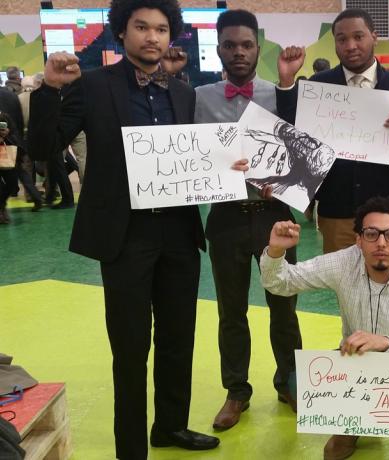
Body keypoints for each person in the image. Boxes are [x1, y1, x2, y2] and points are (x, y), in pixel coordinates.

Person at [27, 1, 244, 457]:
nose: (152, 36)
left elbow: (196, 158)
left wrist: (229, 165)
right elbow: (44, 146)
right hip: (124, 237)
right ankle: (131, 447)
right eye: (141, 27)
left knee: (177, 338)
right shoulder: (93, 86)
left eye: (161, 29)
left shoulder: (183, 93)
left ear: (172, 37)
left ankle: (170, 426)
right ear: (121, 33)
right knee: (129, 350)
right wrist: (49, 88)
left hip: (180, 235)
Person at [261, 196, 389, 460]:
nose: (381, 243)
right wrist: (276, 251)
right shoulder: (343, 263)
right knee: (298, 384)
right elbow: (280, 283)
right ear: (359, 239)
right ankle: (350, 422)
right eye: (371, 234)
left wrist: (385, 343)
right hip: (355, 367)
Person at [191, 8, 304, 430]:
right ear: (217, 49)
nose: (238, 52)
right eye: (229, 45)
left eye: (246, 45)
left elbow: (304, 151)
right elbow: (189, 154)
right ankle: (237, 391)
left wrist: (287, 179)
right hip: (225, 217)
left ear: (258, 47)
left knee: (284, 308)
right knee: (231, 311)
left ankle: (289, 382)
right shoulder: (199, 97)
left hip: (275, 213)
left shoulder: (282, 94)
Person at [278, 8, 389, 254]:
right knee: (345, 289)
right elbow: (291, 136)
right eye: (342, 39)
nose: (350, 45)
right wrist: (287, 81)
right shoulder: (317, 87)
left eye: (358, 37)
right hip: (336, 212)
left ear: (374, 36)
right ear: (335, 43)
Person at [0, 113, 20, 224]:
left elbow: (16, 137)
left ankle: (1, 204)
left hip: (7, 157)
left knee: (12, 183)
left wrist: (6, 135)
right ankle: (1, 209)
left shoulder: (6, 117)